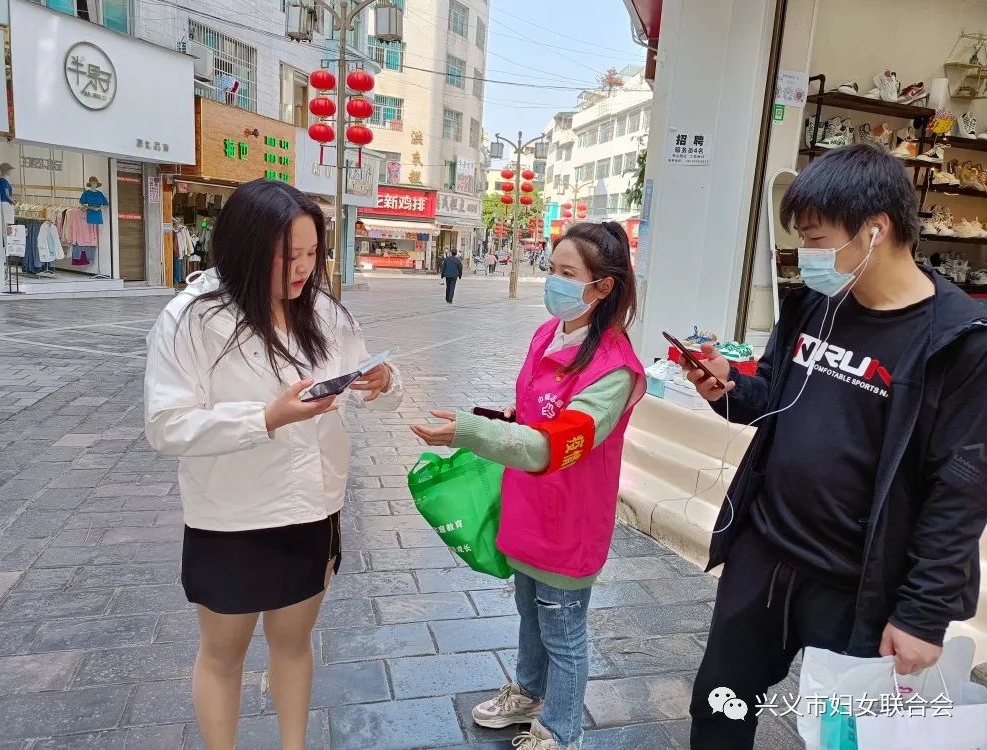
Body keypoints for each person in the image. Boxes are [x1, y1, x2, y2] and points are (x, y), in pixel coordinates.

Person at [684, 145, 987, 750]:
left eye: (817, 238)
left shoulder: (959, 342)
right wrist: (728, 387)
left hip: (861, 585)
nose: (806, 255)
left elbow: (961, 491)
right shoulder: (813, 305)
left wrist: (923, 614)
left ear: (875, 229)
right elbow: (774, 395)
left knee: (849, 735)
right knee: (719, 705)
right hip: (766, 555)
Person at [144, 179, 402, 750]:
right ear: (246, 247)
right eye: (288, 256)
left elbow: (367, 379)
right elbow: (166, 425)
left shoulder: (325, 314)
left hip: (312, 508)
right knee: (223, 654)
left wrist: (383, 380)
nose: (303, 268)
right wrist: (265, 418)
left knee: (293, 644)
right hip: (231, 517)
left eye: (311, 253)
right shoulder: (191, 319)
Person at [412, 222, 646, 750]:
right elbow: (533, 413)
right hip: (527, 505)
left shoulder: (613, 369)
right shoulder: (547, 335)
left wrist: (471, 433)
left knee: (563, 631)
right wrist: (505, 420)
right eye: (552, 269)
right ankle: (529, 691)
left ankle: (561, 730)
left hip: (570, 519)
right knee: (530, 616)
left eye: (568, 274)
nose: (554, 282)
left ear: (603, 286)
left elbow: (552, 445)